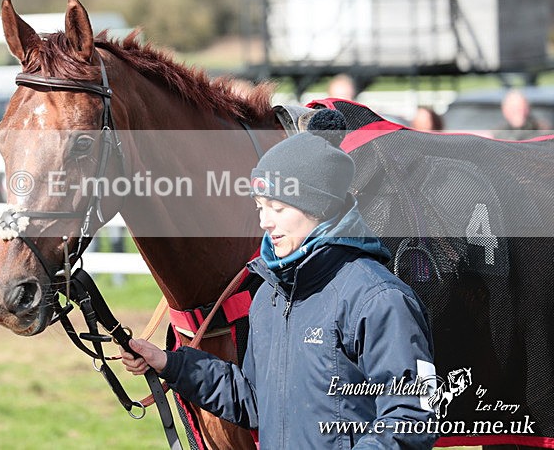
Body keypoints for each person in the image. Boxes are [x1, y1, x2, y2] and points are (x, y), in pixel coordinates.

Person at [122, 116, 438, 448]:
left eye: (278, 207)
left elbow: (412, 418)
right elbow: (255, 401)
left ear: (319, 207)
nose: (264, 221)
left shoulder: (379, 300)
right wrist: (171, 364)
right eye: (260, 207)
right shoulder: (268, 297)